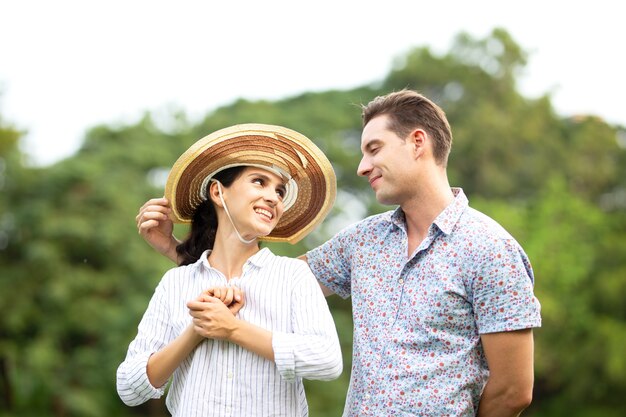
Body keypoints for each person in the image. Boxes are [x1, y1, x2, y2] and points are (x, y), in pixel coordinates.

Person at [135, 90, 542, 417]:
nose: (363, 166)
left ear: (418, 142)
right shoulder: (362, 242)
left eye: (374, 149)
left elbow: (512, 393)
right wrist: (176, 250)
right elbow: (259, 283)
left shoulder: (491, 249)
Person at [117, 123, 342, 417]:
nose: (274, 197)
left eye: (280, 190)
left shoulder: (292, 276)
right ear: (217, 192)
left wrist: (233, 329)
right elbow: (129, 388)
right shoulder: (176, 282)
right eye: (259, 182)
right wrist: (195, 331)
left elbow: (327, 360)